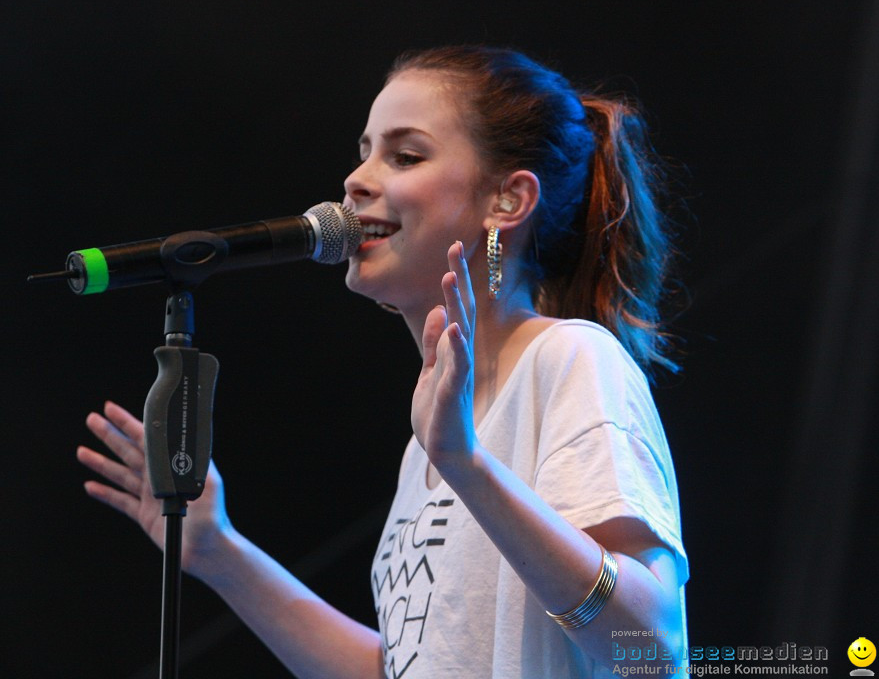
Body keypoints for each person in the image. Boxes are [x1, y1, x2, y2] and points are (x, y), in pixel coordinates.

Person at [77, 45, 688, 678]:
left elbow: (652, 650)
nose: (357, 180)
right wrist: (218, 551)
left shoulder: (568, 360)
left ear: (507, 201)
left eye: (405, 155)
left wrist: (468, 466)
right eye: (363, 152)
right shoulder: (429, 443)